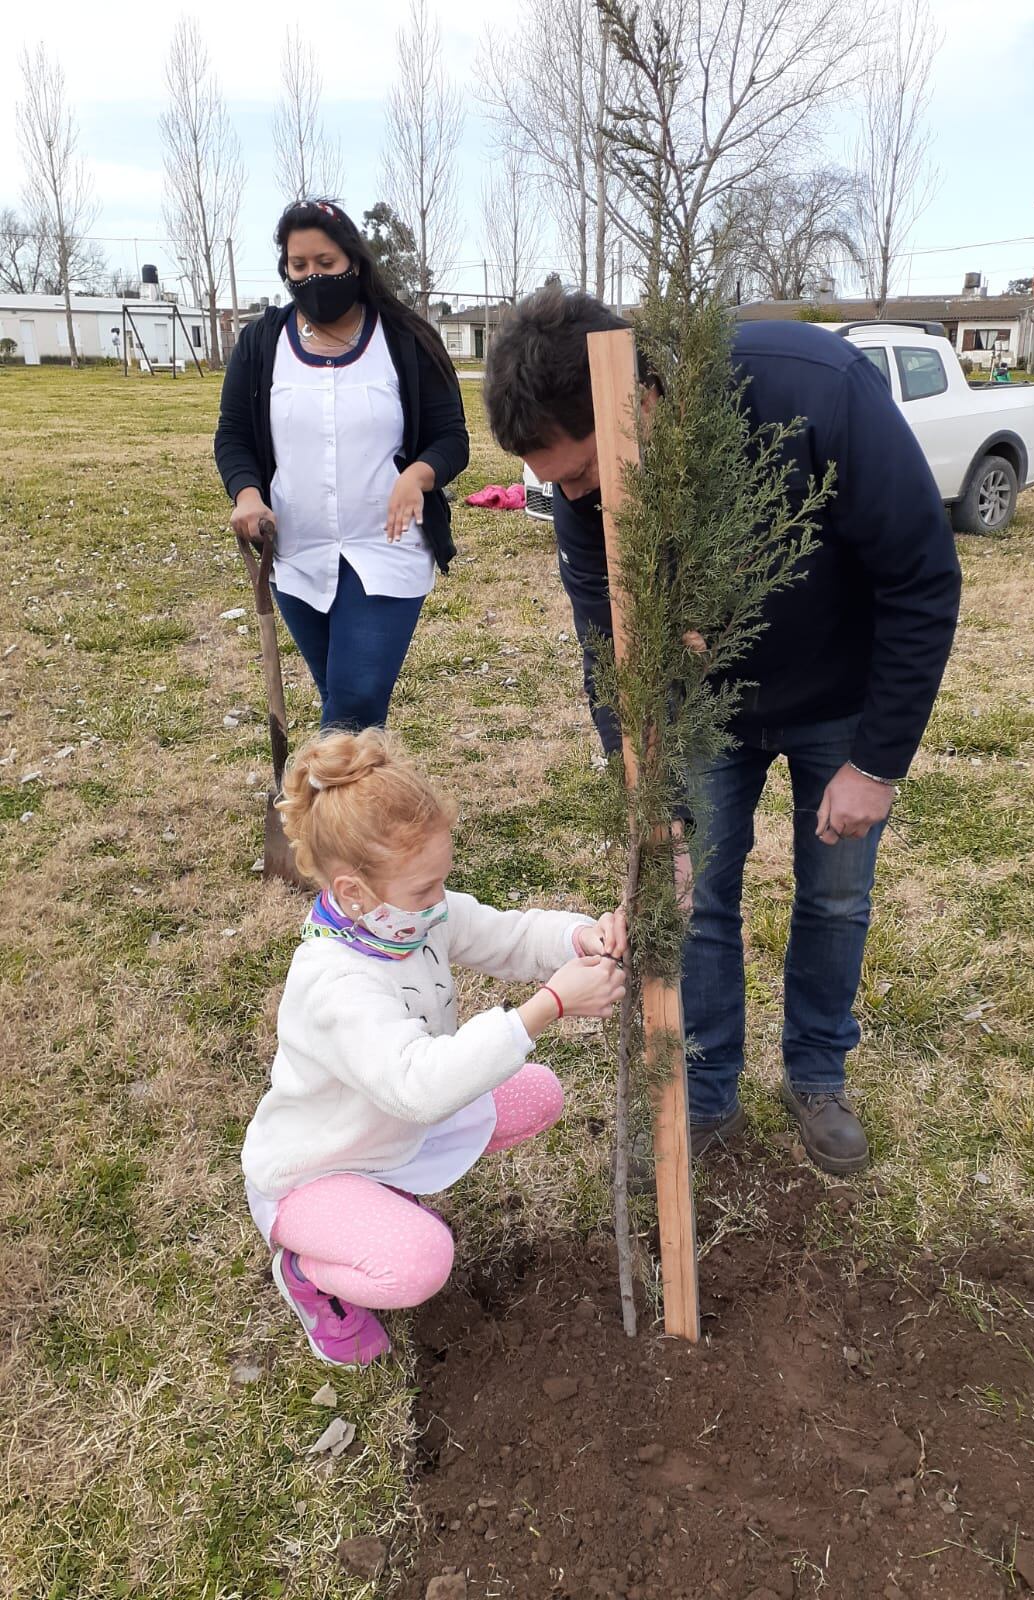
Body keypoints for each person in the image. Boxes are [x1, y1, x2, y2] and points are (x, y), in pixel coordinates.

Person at [484, 289, 961, 1176]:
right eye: (558, 485)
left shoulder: (817, 390)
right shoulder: (581, 494)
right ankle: (705, 1092)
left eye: (583, 473)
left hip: (842, 695)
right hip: (710, 710)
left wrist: (877, 760)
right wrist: (649, 800)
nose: (575, 498)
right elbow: (607, 642)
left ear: (639, 404)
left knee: (835, 897)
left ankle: (817, 1078)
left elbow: (922, 578)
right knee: (696, 897)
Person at [242, 727, 627, 1366]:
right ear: (353, 894)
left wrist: (577, 938)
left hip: (391, 1131)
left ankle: (388, 1195)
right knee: (421, 1263)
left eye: (441, 883)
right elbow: (419, 1086)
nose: (438, 901)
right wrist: (549, 1005)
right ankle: (308, 1271)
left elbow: (509, 936)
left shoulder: (416, 918)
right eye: (424, 890)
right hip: (318, 1170)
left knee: (538, 1093)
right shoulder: (336, 982)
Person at [214, 200, 469, 731]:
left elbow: (451, 438)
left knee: (351, 706)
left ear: (353, 261)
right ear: (285, 268)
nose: (313, 276)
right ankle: (372, 808)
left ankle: (315, 811)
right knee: (348, 701)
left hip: (386, 551)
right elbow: (233, 435)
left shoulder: (403, 339)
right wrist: (247, 494)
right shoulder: (262, 344)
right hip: (296, 555)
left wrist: (418, 475)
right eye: (299, 266)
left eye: (326, 263)